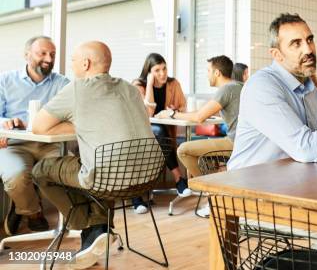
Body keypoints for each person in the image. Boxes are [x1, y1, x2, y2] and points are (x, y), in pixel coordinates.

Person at [31, 41, 157, 269]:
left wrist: (80, 124)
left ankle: (90, 226)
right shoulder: (130, 88)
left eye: (73, 60)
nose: (71, 65)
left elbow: (38, 126)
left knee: (41, 170)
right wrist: (87, 124)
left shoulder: (78, 89)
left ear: (86, 63)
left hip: (108, 179)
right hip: (147, 177)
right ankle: (99, 230)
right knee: (100, 164)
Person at [227, 13, 317, 171]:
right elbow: (305, 148)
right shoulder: (261, 86)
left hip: (292, 181)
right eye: (296, 44)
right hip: (243, 190)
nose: (308, 49)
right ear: (277, 55)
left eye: (309, 40)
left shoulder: (310, 88)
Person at [0, 36, 69, 236]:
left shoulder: (62, 83)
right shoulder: (5, 80)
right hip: (14, 143)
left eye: (53, 54)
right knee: (16, 177)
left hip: (50, 144)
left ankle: (78, 222)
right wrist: (5, 124)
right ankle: (32, 212)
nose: (49, 58)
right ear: (27, 54)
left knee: (69, 171)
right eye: (43, 53)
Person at [161, 56, 242, 218]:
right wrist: (179, 114)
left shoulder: (226, 90)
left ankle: (213, 195)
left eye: (208, 71)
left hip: (236, 143)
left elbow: (199, 117)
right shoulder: (238, 86)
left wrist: (171, 114)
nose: (207, 75)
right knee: (203, 154)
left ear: (217, 73)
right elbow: (204, 114)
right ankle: (218, 189)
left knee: (184, 150)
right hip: (245, 142)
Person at [131, 53, 189, 214]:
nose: (162, 73)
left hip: (164, 133)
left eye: (164, 68)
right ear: (149, 72)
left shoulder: (173, 83)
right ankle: (179, 179)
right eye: (157, 70)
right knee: (158, 130)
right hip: (140, 134)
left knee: (160, 131)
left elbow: (183, 106)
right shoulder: (139, 85)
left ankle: (138, 195)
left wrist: (173, 110)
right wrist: (149, 84)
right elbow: (148, 113)